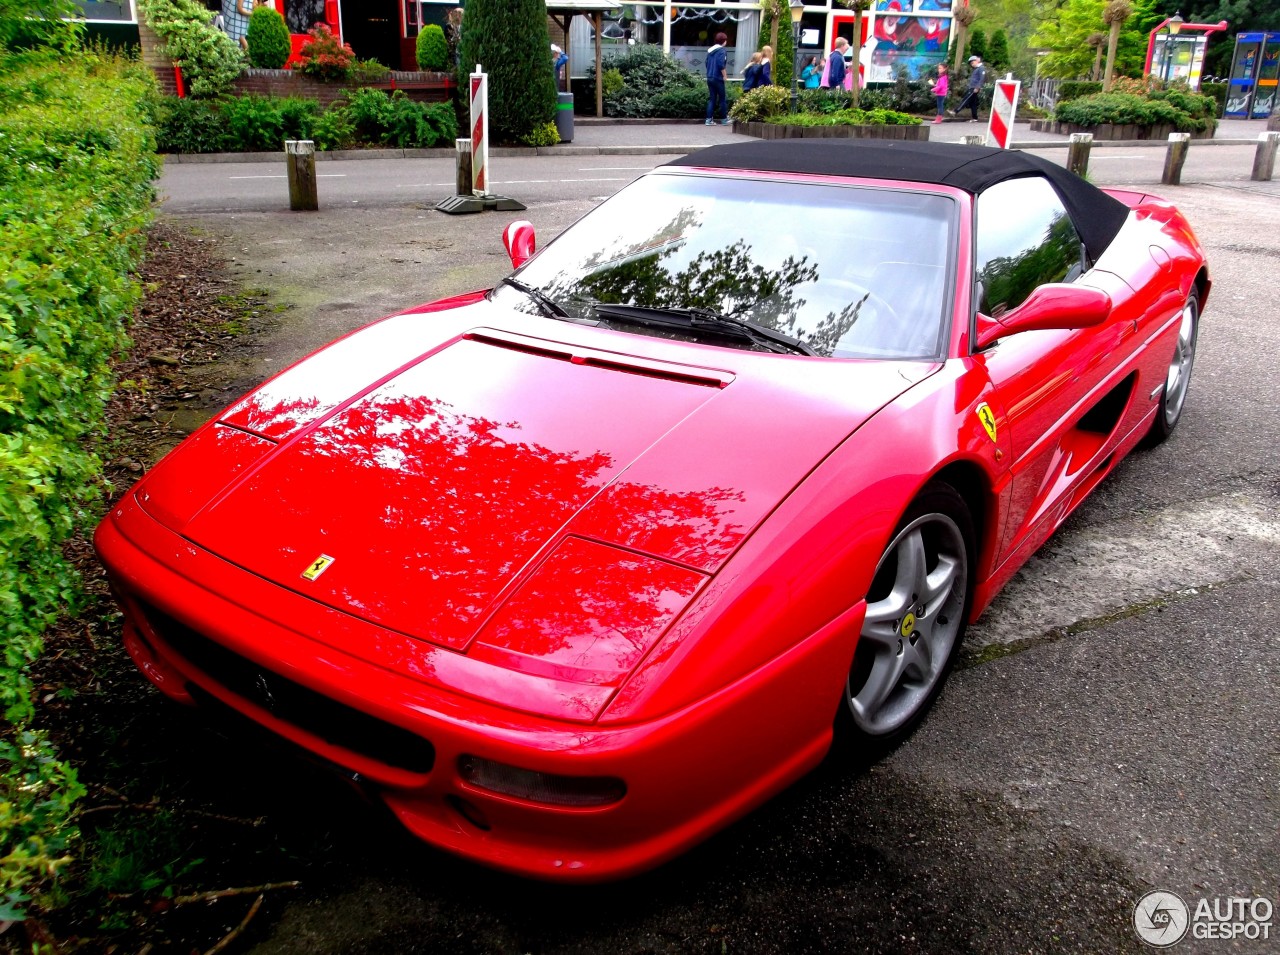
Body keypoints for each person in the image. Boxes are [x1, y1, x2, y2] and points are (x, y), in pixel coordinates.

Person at [951, 54, 986, 121]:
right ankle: (974, 117)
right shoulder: (977, 69)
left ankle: (955, 111)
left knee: (966, 99)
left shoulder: (981, 68)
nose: (972, 64)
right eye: (971, 64)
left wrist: (977, 87)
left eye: (973, 63)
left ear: (977, 60)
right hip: (972, 87)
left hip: (974, 88)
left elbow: (982, 79)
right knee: (973, 103)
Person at [705, 32, 730, 125]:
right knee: (722, 99)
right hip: (718, 78)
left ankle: (708, 120)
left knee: (712, 99)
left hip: (710, 77)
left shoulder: (710, 51)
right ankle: (724, 119)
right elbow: (721, 64)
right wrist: (725, 75)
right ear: (724, 41)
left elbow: (706, 63)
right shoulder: (722, 50)